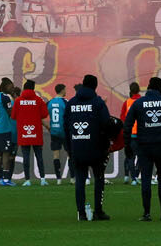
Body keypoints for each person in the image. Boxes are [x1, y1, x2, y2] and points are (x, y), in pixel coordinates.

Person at [66, 74, 119, 222]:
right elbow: (107, 123)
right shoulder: (98, 103)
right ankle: (98, 211)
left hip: (77, 147)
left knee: (80, 180)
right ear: (95, 86)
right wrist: (108, 141)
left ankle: (81, 213)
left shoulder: (71, 103)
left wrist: (70, 148)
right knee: (99, 179)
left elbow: (66, 127)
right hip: (96, 148)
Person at [124, 76, 161, 220]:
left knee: (145, 179)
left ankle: (146, 213)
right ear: (160, 88)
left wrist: (127, 144)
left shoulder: (139, 103)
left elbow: (127, 124)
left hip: (144, 146)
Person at [12, 79, 49, 185]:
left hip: (23, 133)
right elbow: (45, 114)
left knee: (26, 157)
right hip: (36, 132)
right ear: (33, 88)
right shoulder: (38, 100)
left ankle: (27, 180)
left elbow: (13, 116)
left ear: (24, 88)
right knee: (39, 157)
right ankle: (42, 179)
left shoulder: (18, 101)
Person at [119, 80, 142, 184]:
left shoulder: (127, 102)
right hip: (141, 133)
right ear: (139, 90)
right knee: (141, 157)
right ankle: (136, 176)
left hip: (130, 133)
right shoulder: (142, 101)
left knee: (130, 156)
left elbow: (122, 118)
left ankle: (129, 178)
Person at [47, 82, 70, 183]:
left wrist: (48, 126)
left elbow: (43, 114)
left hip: (54, 131)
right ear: (62, 90)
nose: (66, 91)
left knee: (56, 155)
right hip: (65, 131)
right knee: (70, 154)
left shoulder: (50, 102)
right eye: (65, 89)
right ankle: (73, 178)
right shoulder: (66, 102)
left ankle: (58, 179)